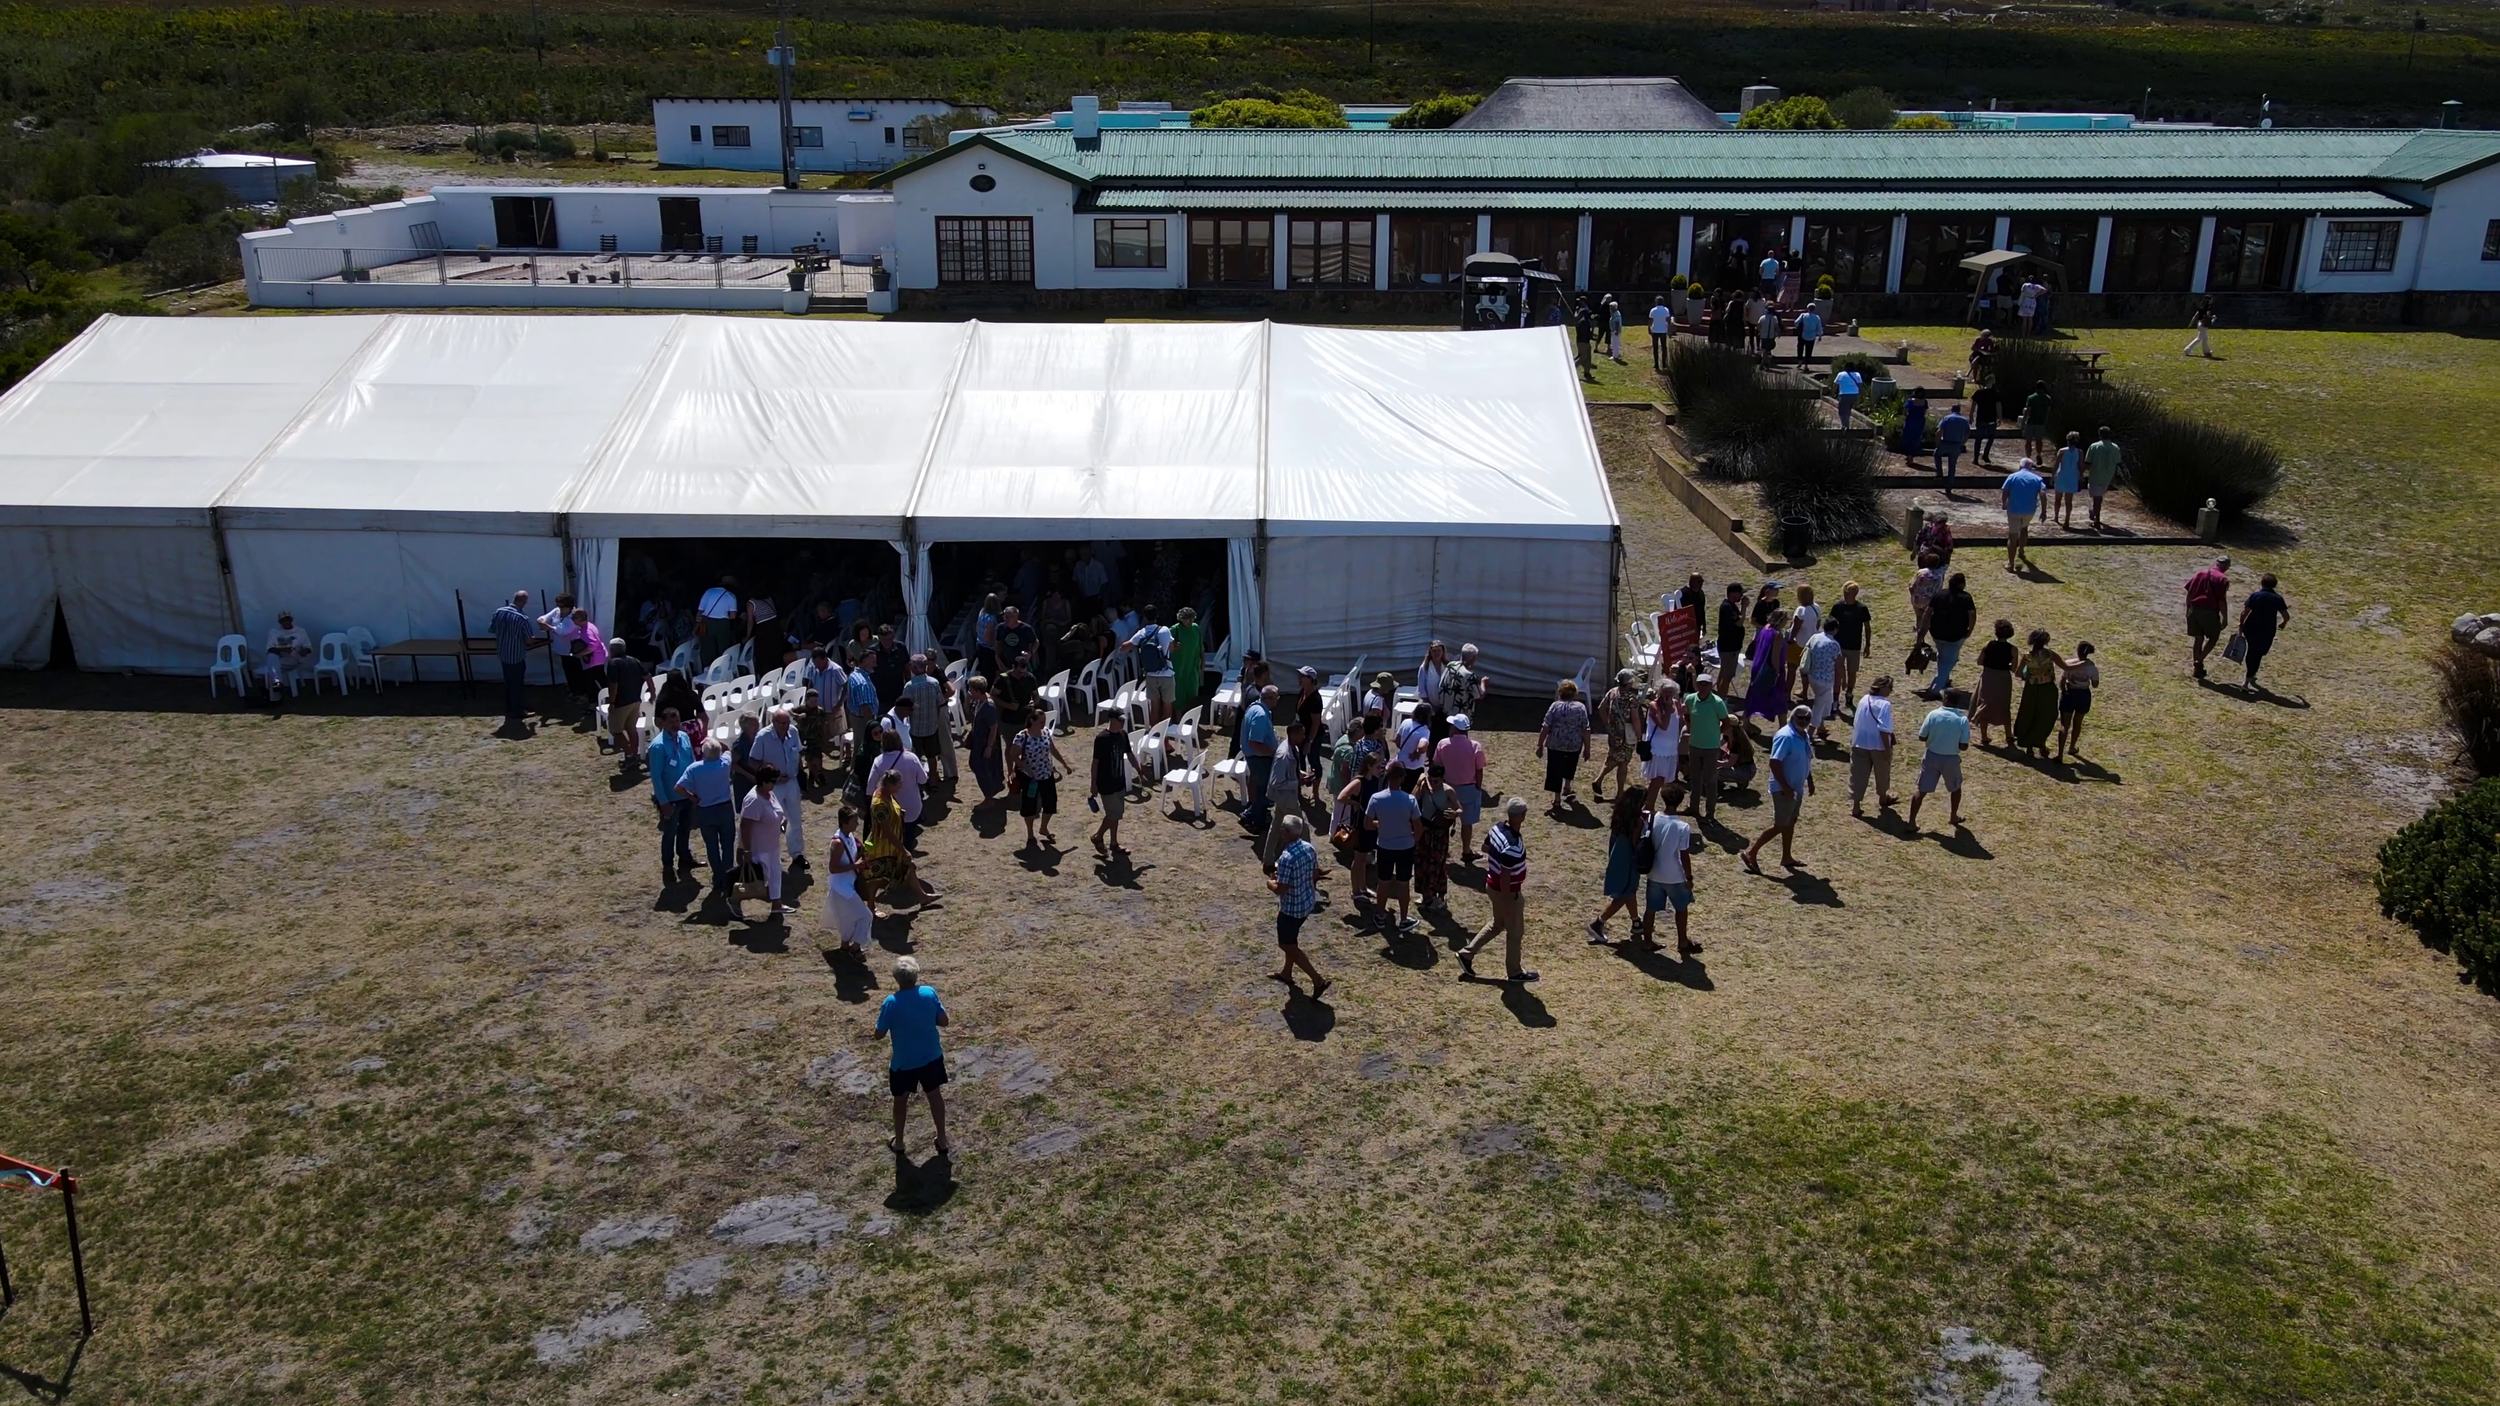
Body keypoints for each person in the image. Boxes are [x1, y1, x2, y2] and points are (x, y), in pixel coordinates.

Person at [875, 955, 951, 1158]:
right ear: (916, 974)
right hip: (931, 1057)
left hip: (904, 1063)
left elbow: (879, 1034)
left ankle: (899, 1142)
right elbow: (944, 1021)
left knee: (900, 1100)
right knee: (934, 1095)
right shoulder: (928, 993)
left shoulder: (891, 1002)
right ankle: (942, 1139)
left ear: (896, 978)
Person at [1457, 798, 1535, 983]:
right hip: (1507, 892)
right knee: (1515, 932)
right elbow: (1506, 875)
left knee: (1497, 924)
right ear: (1522, 816)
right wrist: (1508, 901)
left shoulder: (1497, 828)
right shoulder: (1513, 845)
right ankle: (1514, 972)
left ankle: (1466, 954)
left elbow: (1485, 847)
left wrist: (1498, 856)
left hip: (1492, 886)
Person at [1742, 705, 1815, 874]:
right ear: (1793, 717)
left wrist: (1809, 780)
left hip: (1796, 787)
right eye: (1800, 717)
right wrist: (1786, 787)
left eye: (1807, 718)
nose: (1803, 721)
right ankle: (1751, 853)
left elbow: (1806, 758)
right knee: (1781, 824)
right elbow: (1774, 762)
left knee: (1791, 821)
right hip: (1784, 788)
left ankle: (1786, 857)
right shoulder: (1785, 736)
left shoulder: (1803, 734)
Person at [1267, 815, 1329, 998]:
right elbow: (1315, 873)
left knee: (1286, 944)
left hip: (1291, 909)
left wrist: (1270, 883)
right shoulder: (1309, 848)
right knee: (1291, 939)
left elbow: (1281, 889)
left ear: (1287, 832)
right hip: (1306, 903)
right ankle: (1287, 973)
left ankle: (1317, 980)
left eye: (1282, 829)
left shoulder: (1287, 858)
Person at [1641, 783, 1702, 958]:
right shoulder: (1682, 827)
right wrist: (1689, 877)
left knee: (1650, 909)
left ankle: (1647, 941)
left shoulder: (1653, 819)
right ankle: (1682, 941)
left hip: (1654, 872)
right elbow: (1684, 855)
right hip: (1675, 876)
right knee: (1681, 909)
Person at [862, 768, 936, 912]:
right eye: (898, 785)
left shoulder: (887, 794)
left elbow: (892, 807)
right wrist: (903, 849)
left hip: (890, 845)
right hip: (881, 847)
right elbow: (886, 832)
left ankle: (923, 897)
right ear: (889, 784)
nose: (900, 788)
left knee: (909, 866)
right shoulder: (879, 804)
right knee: (877, 879)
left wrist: (899, 812)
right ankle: (870, 906)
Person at [1366, 765, 1423, 933]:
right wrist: (1412, 839)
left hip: (1385, 846)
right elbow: (1418, 828)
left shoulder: (1376, 798)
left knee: (1383, 882)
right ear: (1402, 778)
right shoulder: (1410, 800)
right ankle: (1404, 919)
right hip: (1405, 847)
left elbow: (1367, 824)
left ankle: (1381, 916)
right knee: (1403, 884)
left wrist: (1380, 824)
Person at [750, 706, 809, 869]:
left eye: (787, 723)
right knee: (774, 821)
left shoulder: (793, 732)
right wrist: (769, 775)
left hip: (791, 782)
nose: (785, 726)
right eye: (782, 723)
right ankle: (771, 857)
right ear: (773, 722)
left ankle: (797, 854)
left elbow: (798, 753)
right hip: (773, 786)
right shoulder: (763, 737)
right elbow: (753, 761)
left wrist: (801, 773)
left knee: (795, 819)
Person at [1587, 789, 1648, 945]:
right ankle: (1598, 923)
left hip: (1617, 857)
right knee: (1626, 893)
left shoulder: (1619, 816)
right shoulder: (1637, 822)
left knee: (1629, 891)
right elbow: (1636, 844)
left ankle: (1636, 922)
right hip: (1629, 861)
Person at [1907, 689, 1972, 833]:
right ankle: (1953, 816)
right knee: (1955, 788)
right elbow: (1964, 746)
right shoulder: (1961, 720)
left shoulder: (1933, 714)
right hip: (1951, 759)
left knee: (1921, 790)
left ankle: (1911, 822)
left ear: (1945, 699)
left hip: (1931, 756)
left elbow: (1922, 737)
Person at [647, 707, 698, 882]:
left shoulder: (684, 737)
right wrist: (663, 802)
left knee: (685, 829)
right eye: (671, 721)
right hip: (670, 799)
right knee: (669, 833)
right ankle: (667, 865)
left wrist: (694, 789)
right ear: (663, 723)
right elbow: (656, 776)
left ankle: (685, 857)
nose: (675, 724)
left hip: (686, 795)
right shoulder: (658, 746)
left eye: (677, 721)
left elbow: (691, 763)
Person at [737, 764, 795, 917]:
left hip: (772, 846)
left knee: (775, 875)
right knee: (756, 881)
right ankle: (734, 899)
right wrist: (746, 851)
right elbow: (745, 827)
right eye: (773, 781)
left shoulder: (769, 793)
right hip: (759, 848)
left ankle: (777, 904)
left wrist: (782, 822)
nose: (775, 784)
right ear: (763, 781)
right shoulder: (754, 800)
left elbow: (776, 812)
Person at [678, 736, 736, 889]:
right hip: (725, 809)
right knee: (728, 845)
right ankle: (728, 876)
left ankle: (718, 877)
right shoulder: (724, 763)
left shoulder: (694, 768)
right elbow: (728, 749)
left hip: (706, 811)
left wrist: (692, 798)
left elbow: (678, 788)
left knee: (712, 846)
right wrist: (713, 739)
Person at [1011, 707, 1070, 849]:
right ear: (1032, 721)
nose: (1043, 724)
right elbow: (1014, 755)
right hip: (1030, 777)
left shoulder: (1046, 733)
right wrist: (1026, 767)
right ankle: (1030, 834)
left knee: (1050, 803)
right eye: (1040, 722)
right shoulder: (1022, 736)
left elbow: (1052, 749)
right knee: (1029, 806)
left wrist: (1064, 764)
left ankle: (1044, 828)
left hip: (1046, 774)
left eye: (1044, 721)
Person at [820, 805, 873, 961]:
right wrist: (855, 866)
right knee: (866, 916)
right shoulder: (837, 843)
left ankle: (845, 946)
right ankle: (855, 948)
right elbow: (833, 868)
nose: (857, 824)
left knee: (848, 917)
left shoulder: (850, 837)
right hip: (841, 888)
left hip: (849, 885)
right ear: (845, 822)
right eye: (854, 821)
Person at [1435, 714, 1488, 863]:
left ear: (1454, 728)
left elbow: (1436, 765)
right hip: (1469, 788)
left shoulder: (1443, 744)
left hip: (1448, 787)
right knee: (1467, 822)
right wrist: (1478, 786)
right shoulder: (1475, 746)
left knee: (1444, 821)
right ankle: (1466, 851)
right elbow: (1479, 770)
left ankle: (1443, 850)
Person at [866, 729, 930, 851]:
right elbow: (923, 780)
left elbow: (870, 788)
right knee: (908, 838)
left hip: (889, 809)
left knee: (892, 841)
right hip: (912, 807)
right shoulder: (911, 758)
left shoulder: (878, 761)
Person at [1536, 679, 1592, 813]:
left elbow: (1546, 726)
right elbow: (1586, 729)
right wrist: (1587, 748)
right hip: (1573, 745)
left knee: (1555, 771)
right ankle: (1567, 787)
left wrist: (1540, 744)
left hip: (1555, 744)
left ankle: (1557, 799)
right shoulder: (1580, 708)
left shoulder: (1555, 706)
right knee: (1570, 766)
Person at [1118, 605, 1178, 726]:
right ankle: (1164, 732)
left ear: (1145, 617)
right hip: (1167, 673)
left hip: (1150, 674)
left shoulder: (1142, 633)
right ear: (1157, 616)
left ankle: (1154, 732)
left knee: (1154, 707)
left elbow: (1123, 647)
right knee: (1167, 705)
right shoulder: (1165, 630)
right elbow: (1172, 648)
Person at [1261, 722, 1309, 868]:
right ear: (1293, 734)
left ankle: (1268, 860)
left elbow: (1292, 771)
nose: (1303, 736)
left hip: (1286, 796)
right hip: (1285, 797)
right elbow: (1277, 782)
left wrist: (1303, 775)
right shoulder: (1283, 755)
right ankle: (1310, 864)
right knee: (1302, 828)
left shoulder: (1293, 748)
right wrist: (1298, 783)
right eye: (1301, 734)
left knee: (1276, 826)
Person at [1848, 674, 1898, 816]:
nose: (1891, 690)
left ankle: (1856, 806)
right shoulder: (1884, 704)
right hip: (1878, 745)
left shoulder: (1864, 699)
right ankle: (1882, 797)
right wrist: (1887, 749)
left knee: (1858, 774)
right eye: (1890, 687)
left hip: (1860, 742)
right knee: (1882, 773)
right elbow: (1883, 729)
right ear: (1882, 688)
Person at [488, 591, 538, 729]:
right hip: (516, 655)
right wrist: (532, 639)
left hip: (503, 652)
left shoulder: (499, 612)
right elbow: (528, 640)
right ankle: (517, 710)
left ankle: (510, 706)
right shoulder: (522, 618)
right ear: (524, 602)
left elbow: (492, 629)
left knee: (508, 681)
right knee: (517, 683)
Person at [1683, 675, 1730, 819]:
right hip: (1694, 745)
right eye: (1700, 684)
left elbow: (1726, 722)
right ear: (1696, 684)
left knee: (1710, 780)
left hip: (1711, 747)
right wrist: (1691, 729)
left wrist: (1715, 734)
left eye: (1706, 684)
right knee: (1695, 778)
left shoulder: (1717, 702)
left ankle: (1710, 811)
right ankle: (1693, 807)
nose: (1703, 687)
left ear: (1711, 685)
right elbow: (1687, 715)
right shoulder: (1690, 699)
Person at [901, 654, 951, 785]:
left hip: (915, 729)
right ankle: (933, 780)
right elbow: (940, 703)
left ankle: (917, 781)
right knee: (931, 756)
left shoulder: (909, 686)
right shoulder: (934, 683)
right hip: (931, 727)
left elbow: (905, 707)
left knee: (915, 756)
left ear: (914, 668)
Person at [1595, 670, 1642, 804]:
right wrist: (1639, 735)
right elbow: (1635, 719)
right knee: (1623, 762)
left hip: (1614, 733)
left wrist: (1607, 724)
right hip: (1627, 735)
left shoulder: (1612, 692)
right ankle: (1617, 791)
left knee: (1614, 758)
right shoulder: (1631, 699)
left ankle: (1604, 783)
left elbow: (1601, 708)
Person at [1927, 573, 1978, 697]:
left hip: (1937, 632)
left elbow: (1928, 612)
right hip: (1956, 634)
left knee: (1942, 656)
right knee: (1950, 660)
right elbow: (1972, 614)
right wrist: (1970, 630)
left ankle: (1944, 680)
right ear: (1961, 584)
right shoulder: (1965, 597)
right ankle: (1936, 687)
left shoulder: (1939, 594)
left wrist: (1923, 629)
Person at [2239, 573, 2291, 693]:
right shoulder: (2278, 598)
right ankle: (2249, 676)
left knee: (2252, 651)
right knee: (2258, 653)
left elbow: (2245, 612)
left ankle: (2250, 674)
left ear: (2262, 583)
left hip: (2251, 627)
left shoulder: (2255, 596)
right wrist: (2283, 624)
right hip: (2267, 630)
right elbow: (2286, 616)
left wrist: (2241, 624)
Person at [2013, 628, 2062, 756]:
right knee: (2046, 716)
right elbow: (2065, 667)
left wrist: (2028, 675)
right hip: (2047, 688)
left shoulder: (2027, 656)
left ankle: (2029, 746)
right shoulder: (2050, 654)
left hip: (2031, 689)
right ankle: (2041, 743)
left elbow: (2018, 673)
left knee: (2029, 714)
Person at [1415, 762, 1455, 913]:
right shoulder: (1424, 787)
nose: (1433, 784)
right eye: (1431, 780)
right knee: (1422, 863)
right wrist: (1419, 784)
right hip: (1425, 831)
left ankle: (1437, 897)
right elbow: (1412, 800)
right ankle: (1426, 895)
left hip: (1439, 834)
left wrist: (1454, 813)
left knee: (1436, 865)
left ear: (1442, 778)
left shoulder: (1448, 791)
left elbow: (1459, 809)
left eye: (1436, 781)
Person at [1239, 683, 1280, 833]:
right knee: (1266, 793)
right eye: (1277, 697)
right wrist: (1274, 752)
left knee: (1262, 790)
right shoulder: (1261, 715)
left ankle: (1259, 821)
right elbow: (1254, 742)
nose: (1278, 700)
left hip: (1257, 757)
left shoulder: (1255, 708)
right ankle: (1248, 816)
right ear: (1270, 698)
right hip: (1260, 759)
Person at [1090, 710, 1132, 857]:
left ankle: (1114, 843)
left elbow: (1129, 753)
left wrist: (1139, 769)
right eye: (1120, 720)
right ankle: (1098, 836)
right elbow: (1095, 763)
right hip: (1106, 783)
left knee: (1116, 815)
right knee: (1114, 813)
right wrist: (1093, 784)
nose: (1123, 723)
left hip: (1119, 781)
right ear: (1112, 720)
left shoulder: (1123, 735)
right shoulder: (1102, 739)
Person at [2184, 554, 2232, 681]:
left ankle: (2197, 668)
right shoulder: (2222, 579)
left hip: (2194, 608)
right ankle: (2199, 660)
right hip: (2209, 612)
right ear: (2227, 566)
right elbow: (2222, 600)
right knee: (2213, 637)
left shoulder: (2200, 573)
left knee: (2198, 637)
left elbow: (2190, 592)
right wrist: (2225, 617)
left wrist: (2188, 608)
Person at [1742, 607, 1793, 723]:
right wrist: (1777, 672)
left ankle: (1745, 722)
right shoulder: (1777, 635)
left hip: (1758, 666)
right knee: (1780, 699)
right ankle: (1783, 726)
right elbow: (1775, 656)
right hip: (1770, 669)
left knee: (1753, 696)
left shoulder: (1765, 629)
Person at [1972, 620, 2017, 747]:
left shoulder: (1988, 644)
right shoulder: (2013, 649)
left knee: (1985, 703)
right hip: (2003, 679)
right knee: (2003, 705)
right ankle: (2008, 735)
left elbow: (1979, 662)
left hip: (1988, 676)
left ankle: (1984, 736)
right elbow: (2014, 668)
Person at [1642, 680, 1685, 809]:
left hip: (1671, 748)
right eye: (1666, 691)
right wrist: (1667, 708)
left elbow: (1679, 724)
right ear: (1660, 692)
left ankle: (1648, 803)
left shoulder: (1676, 704)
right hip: (1658, 749)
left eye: (1671, 692)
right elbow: (1664, 726)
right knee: (1657, 780)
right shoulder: (1654, 705)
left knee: (1666, 780)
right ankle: (1648, 807)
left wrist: (1682, 714)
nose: (1668, 694)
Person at [603, 639, 647, 763]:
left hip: (621, 704)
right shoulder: (634, 660)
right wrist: (653, 692)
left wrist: (612, 703)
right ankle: (634, 754)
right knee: (631, 729)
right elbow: (647, 676)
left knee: (615, 731)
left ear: (612, 650)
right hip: (635, 701)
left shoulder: (613, 664)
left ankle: (629, 755)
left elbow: (613, 686)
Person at [1828, 582, 1871, 707]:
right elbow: (1830, 623)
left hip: (1854, 646)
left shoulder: (1862, 608)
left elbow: (1867, 627)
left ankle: (1849, 693)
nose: (1847, 594)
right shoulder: (1837, 607)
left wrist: (1867, 644)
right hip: (1839, 645)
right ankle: (1835, 698)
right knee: (1838, 672)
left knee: (1852, 672)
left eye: (1850, 592)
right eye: (1846, 591)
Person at [2055, 643, 2100, 762]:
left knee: (2064, 725)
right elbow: (2095, 684)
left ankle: (2060, 754)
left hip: (2069, 693)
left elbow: (2062, 681)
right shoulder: (2091, 667)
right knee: (2077, 723)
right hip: (2083, 695)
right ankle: (2072, 747)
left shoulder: (2069, 663)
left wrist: (2064, 692)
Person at [961, 676, 1003, 802]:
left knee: (982, 768)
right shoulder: (978, 701)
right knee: (977, 765)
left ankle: (989, 798)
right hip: (978, 741)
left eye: (971, 690)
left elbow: (993, 727)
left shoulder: (988, 706)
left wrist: (989, 747)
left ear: (978, 691)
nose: (969, 691)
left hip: (985, 743)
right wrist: (968, 699)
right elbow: (968, 711)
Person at [2001, 456, 2045, 572]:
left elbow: (2005, 491)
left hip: (2014, 509)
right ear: (2030, 467)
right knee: (2024, 528)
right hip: (2029, 510)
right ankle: (2021, 549)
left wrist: (2004, 503)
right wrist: (2044, 511)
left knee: (2012, 536)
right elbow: (2043, 493)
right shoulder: (2037, 478)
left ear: (2020, 466)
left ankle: (2011, 563)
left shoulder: (2013, 476)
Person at [260, 611, 315, 703]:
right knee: (271, 657)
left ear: (291, 620)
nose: (286, 622)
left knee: (272, 669)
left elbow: (308, 648)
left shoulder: (300, 631)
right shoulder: (274, 632)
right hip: (278, 656)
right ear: (279, 622)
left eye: (288, 619)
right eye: (283, 620)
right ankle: (277, 685)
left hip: (293, 657)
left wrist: (302, 651)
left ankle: (274, 697)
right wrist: (283, 650)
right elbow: (270, 648)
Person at [1802, 628, 1843, 739]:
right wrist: (1842, 679)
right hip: (1825, 681)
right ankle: (1809, 734)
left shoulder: (1815, 637)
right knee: (1818, 707)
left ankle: (1821, 727)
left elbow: (1806, 649)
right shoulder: (1834, 644)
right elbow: (1839, 665)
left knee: (1826, 702)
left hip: (1813, 676)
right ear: (1835, 629)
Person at [1438, 643, 1490, 721]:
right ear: (1473, 658)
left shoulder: (1451, 665)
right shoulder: (1469, 675)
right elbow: (1479, 695)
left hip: (1446, 709)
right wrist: (1484, 683)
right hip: (1461, 715)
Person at [2084, 427, 2123, 532]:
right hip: (2108, 476)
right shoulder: (2115, 447)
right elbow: (2118, 462)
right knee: (2099, 496)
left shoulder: (2094, 446)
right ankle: (2094, 512)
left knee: (2096, 498)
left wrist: (2081, 473)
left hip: (2096, 475)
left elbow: (2087, 462)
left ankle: (2097, 520)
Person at [1170, 606, 1206, 716]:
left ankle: (1190, 719)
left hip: (1193, 668)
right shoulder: (1174, 630)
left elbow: (1201, 648)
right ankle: (1178, 720)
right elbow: (1167, 648)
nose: (1190, 621)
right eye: (1187, 619)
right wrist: (1174, 646)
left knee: (1192, 695)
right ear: (1181, 619)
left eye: (1192, 618)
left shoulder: (1196, 628)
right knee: (1179, 696)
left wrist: (1202, 666)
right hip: (1179, 669)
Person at [1715, 581, 1749, 694]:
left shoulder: (1731, 606)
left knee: (1724, 672)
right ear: (1732, 594)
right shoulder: (1727, 607)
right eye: (1740, 593)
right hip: (1729, 647)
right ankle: (1722, 698)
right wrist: (1744, 607)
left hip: (1730, 646)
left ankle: (1719, 694)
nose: (1742, 596)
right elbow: (1739, 623)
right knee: (1727, 676)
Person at [696, 576, 740, 665]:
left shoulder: (708, 592)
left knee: (708, 649)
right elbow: (733, 616)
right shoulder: (731, 596)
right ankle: (723, 667)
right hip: (723, 624)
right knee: (723, 648)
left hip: (708, 623)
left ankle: (709, 668)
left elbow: (700, 611)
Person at [1908, 552, 1944, 651]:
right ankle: (1921, 637)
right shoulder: (1939, 575)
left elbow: (1912, 586)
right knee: (1926, 621)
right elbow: (1938, 590)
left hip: (1917, 599)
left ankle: (1918, 638)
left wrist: (1913, 595)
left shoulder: (1921, 572)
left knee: (1919, 617)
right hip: (1930, 602)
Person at [1933, 402, 1971, 496]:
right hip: (1956, 444)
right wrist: (1962, 443)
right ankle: (1949, 487)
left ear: (1951, 410)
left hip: (1946, 442)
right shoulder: (1964, 420)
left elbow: (1939, 431)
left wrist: (1937, 443)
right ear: (1959, 410)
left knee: (1936, 454)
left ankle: (1939, 472)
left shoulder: (1947, 418)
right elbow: (1967, 434)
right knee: (1952, 466)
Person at [2051, 431, 2083, 530]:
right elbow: (2080, 466)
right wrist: (2081, 476)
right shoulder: (2080, 452)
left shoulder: (2062, 451)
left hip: (2061, 476)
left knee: (2058, 499)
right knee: (2069, 501)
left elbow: (2056, 464)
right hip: (2072, 477)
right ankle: (2067, 520)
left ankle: (2056, 517)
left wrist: (2052, 475)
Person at [1969, 380, 2001, 467]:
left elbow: (1973, 404)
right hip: (1991, 419)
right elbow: (1998, 406)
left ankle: (1976, 458)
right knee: (1990, 438)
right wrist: (1999, 417)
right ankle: (1985, 454)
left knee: (1978, 439)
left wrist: (1971, 415)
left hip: (1981, 419)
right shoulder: (1995, 393)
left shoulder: (1979, 392)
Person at [2019, 380, 2053, 462]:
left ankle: (2028, 457)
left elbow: (2028, 411)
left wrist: (2023, 422)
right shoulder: (2048, 398)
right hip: (2041, 422)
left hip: (2031, 421)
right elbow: (2048, 411)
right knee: (2039, 440)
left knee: (2028, 441)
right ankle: (2038, 454)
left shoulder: (2031, 398)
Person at [1900, 387, 1929, 460]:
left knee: (1908, 437)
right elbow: (1924, 412)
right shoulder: (1924, 402)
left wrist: (1906, 416)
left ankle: (1909, 454)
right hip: (1920, 421)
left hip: (1911, 420)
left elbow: (1905, 411)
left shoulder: (1911, 401)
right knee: (1916, 437)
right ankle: (1912, 454)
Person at [1833, 364, 1863, 428]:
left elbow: (1835, 385)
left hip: (1844, 395)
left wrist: (1833, 393)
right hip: (1855, 395)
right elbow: (1860, 386)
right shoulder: (1857, 374)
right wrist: (1860, 396)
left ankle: (1845, 426)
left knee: (1842, 411)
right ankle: (1847, 424)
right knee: (1848, 410)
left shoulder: (1840, 374)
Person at [1649, 293, 1673, 371]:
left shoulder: (1653, 310)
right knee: (1664, 347)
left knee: (1655, 348)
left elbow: (1650, 321)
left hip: (1655, 330)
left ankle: (1656, 364)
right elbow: (1668, 321)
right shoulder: (1666, 310)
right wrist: (1669, 329)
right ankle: (1664, 363)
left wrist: (1649, 329)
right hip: (1663, 330)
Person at [1606, 294, 1625, 363]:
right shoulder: (1615, 313)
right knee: (1615, 342)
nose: (1610, 308)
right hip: (1614, 330)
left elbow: (1617, 323)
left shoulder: (1616, 314)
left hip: (1615, 330)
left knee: (1615, 343)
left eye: (1611, 307)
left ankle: (1615, 356)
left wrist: (1616, 331)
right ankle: (1616, 354)